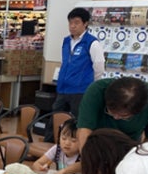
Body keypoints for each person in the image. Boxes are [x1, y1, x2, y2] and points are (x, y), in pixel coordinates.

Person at [44, 8, 105, 142]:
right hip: (63, 88)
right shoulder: (66, 41)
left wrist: (90, 84)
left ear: (85, 23)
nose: (72, 26)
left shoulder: (92, 43)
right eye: (70, 23)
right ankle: (50, 145)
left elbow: (99, 66)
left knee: (77, 122)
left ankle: (76, 147)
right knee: (55, 118)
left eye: (76, 23)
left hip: (80, 90)